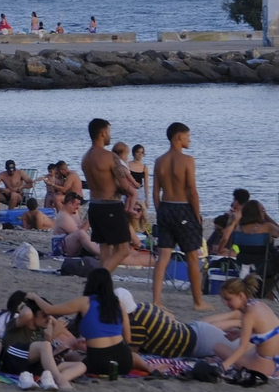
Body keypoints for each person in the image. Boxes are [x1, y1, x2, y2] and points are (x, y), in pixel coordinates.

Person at [31, 269, 159, 378]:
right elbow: (128, 339)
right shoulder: (119, 304)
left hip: (99, 362)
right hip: (123, 362)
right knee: (132, 356)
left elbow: (49, 310)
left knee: (71, 355)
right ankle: (149, 367)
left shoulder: (84, 302)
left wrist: (35, 297)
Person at [151, 122, 206, 310]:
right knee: (192, 256)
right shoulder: (187, 160)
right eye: (188, 136)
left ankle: (157, 300)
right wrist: (196, 215)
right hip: (183, 209)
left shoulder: (159, 161)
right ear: (178, 137)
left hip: (165, 207)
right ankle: (198, 302)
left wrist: (160, 212)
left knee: (163, 256)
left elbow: (155, 192)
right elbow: (192, 190)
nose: (190, 139)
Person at [82, 118, 140, 272]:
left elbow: (101, 182)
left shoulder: (85, 158)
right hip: (111, 207)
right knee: (123, 249)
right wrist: (132, 194)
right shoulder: (110, 157)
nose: (110, 136)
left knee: (105, 249)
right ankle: (100, 280)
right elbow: (123, 185)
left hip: (94, 206)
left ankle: (101, 289)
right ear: (102, 133)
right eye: (109, 132)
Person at [212, 275, 279, 377]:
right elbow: (265, 333)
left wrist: (224, 366)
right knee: (248, 347)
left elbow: (242, 348)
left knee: (218, 347)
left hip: (266, 366)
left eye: (228, 299)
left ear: (241, 296)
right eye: (224, 300)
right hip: (274, 359)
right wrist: (240, 333)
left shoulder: (248, 316)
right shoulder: (259, 305)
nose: (226, 303)